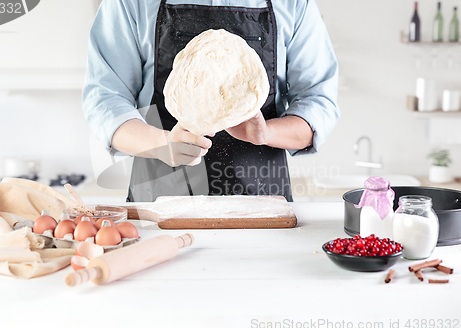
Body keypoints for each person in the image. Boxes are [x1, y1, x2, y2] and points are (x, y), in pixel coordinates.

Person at [83, 0, 340, 202]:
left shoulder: (293, 3)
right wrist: (161, 144)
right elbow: (105, 101)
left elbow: (318, 103)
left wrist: (266, 132)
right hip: (160, 206)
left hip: (263, 207)